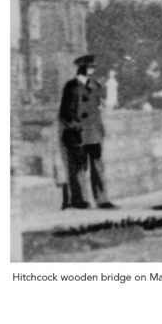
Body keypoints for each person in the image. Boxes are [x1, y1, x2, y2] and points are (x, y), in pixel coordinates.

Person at [59, 54, 116, 209]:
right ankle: (81, 200)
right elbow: (65, 112)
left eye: (93, 67)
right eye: (89, 67)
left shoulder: (95, 86)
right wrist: (75, 127)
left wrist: (101, 130)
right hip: (78, 133)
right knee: (78, 167)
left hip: (94, 133)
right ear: (81, 68)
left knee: (97, 166)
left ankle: (102, 199)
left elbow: (97, 110)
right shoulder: (71, 86)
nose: (91, 70)